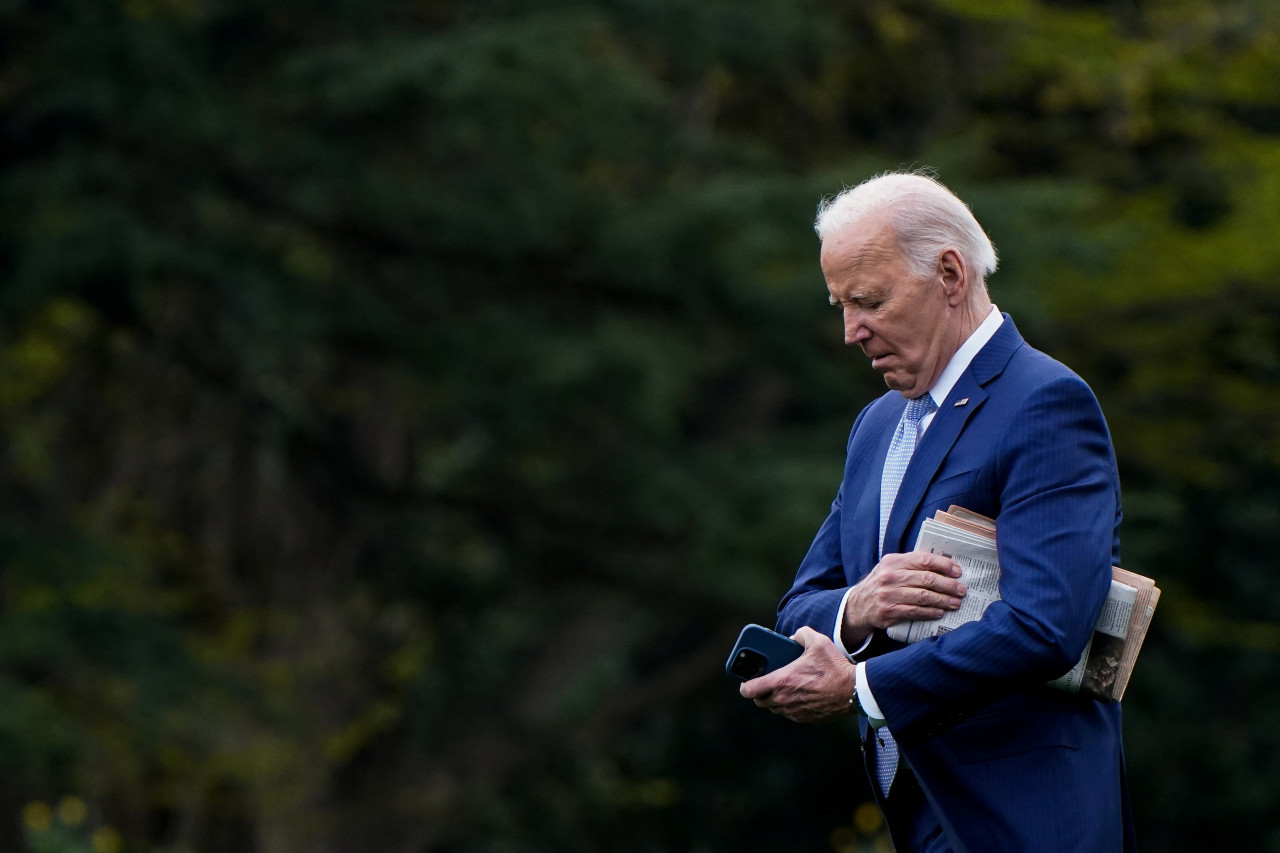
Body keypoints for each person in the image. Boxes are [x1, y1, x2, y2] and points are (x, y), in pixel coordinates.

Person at [739, 171, 1136, 852]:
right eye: (839, 303)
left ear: (950, 273)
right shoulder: (875, 424)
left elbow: (1048, 626)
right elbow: (801, 604)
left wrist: (860, 684)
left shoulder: (1046, 401)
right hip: (916, 815)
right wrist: (857, 608)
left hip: (1026, 821)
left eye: (868, 300)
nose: (850, 331)